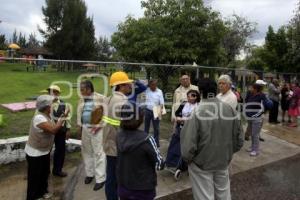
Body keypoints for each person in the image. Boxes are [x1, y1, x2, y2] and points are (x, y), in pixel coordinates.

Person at [181, 79, 243, 200]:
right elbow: (239, 139)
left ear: (200, 92)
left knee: (204, 196)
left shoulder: (197, 112)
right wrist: (228, 153)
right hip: (223, 161)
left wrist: (189, 159)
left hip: (201, 164)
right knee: (224, 194)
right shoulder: (229, 109)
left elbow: (188, 146)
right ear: (215, 90)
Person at [116, 102, 165, 200]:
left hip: (123, 187)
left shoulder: (118, 136)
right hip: (143, 189)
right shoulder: (147, 139)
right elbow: (159, 165)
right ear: (140, 118)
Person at [25, 95, 66, 200]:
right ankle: (32, 197)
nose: (53, 105)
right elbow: (53, 130)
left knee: (44, 174)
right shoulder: (39, 118)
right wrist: (62, 119)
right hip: (35, 153)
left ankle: (42, 192)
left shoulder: (47, 114)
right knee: (34, 177)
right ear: (47, 107)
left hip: (44, 151)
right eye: (51, 104)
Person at [103, 71, 133, 200]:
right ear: (121, 86)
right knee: (118, 177)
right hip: (119, 146)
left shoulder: (107, 99)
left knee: (110, 176)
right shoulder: (123, 103)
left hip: (109, 143)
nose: (130, 86)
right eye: (128, 84)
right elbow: (127, 127)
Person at [78, 80, 106, 191]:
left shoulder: (101, 98)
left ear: (89, 89)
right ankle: (90, 174)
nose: (81, 92)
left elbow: (106, 114)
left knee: (98, 152)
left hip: (97, 128)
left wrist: (99, 126)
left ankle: (100, 178)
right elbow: (80, 113)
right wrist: (79, 127)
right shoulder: (81, 99)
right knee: (86, 151)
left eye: (82, 89)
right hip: (85, 128)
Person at [165, 90, 200, 175]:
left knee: (183, 148)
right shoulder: (184, 103)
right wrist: (178, 118)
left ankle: (180, 165)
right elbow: (177, 113)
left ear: (196, 97)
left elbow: (197, 119)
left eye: (192, 96)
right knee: (174, 144)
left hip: (190, 130)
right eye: (188, 96)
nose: (189, 98)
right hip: (180, 128)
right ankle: (169, 162)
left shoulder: (198, 106)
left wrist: (185, 120)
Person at [47, 85, 71, 178]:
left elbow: (67, 118)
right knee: (46, 151)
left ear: (58, 93)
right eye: (51, 92)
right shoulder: (45, 104)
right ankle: (45, 170)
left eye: (55, 92)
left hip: (61, 131)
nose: (53, 94)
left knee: (60, 150)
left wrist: (68, 129)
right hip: (48, 131)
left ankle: (57, 170)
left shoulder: (64, 104)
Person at [245, 83, 273, 156]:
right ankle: (252, 147)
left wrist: (257, 115)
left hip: (257, 118)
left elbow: (267, 105)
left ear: (255, 89)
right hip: (250, 118)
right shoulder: (251, 94)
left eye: (252, 88)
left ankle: (255, 150)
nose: (250, 89)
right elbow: (247, 102)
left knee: (255, 134)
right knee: (252, 134)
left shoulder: (262, 96)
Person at [144, 79, 165, 147]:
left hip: (157, 109)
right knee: (146, 127)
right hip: (148, 110)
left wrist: (161, 112)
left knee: (156, 128)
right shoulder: (147, 90)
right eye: (152, 85)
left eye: (155, 84)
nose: (154, 86)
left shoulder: (159, 91)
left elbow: (161, 102)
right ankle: (145, 141)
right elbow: (141, 85)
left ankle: (156, 143)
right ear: (149, 85)